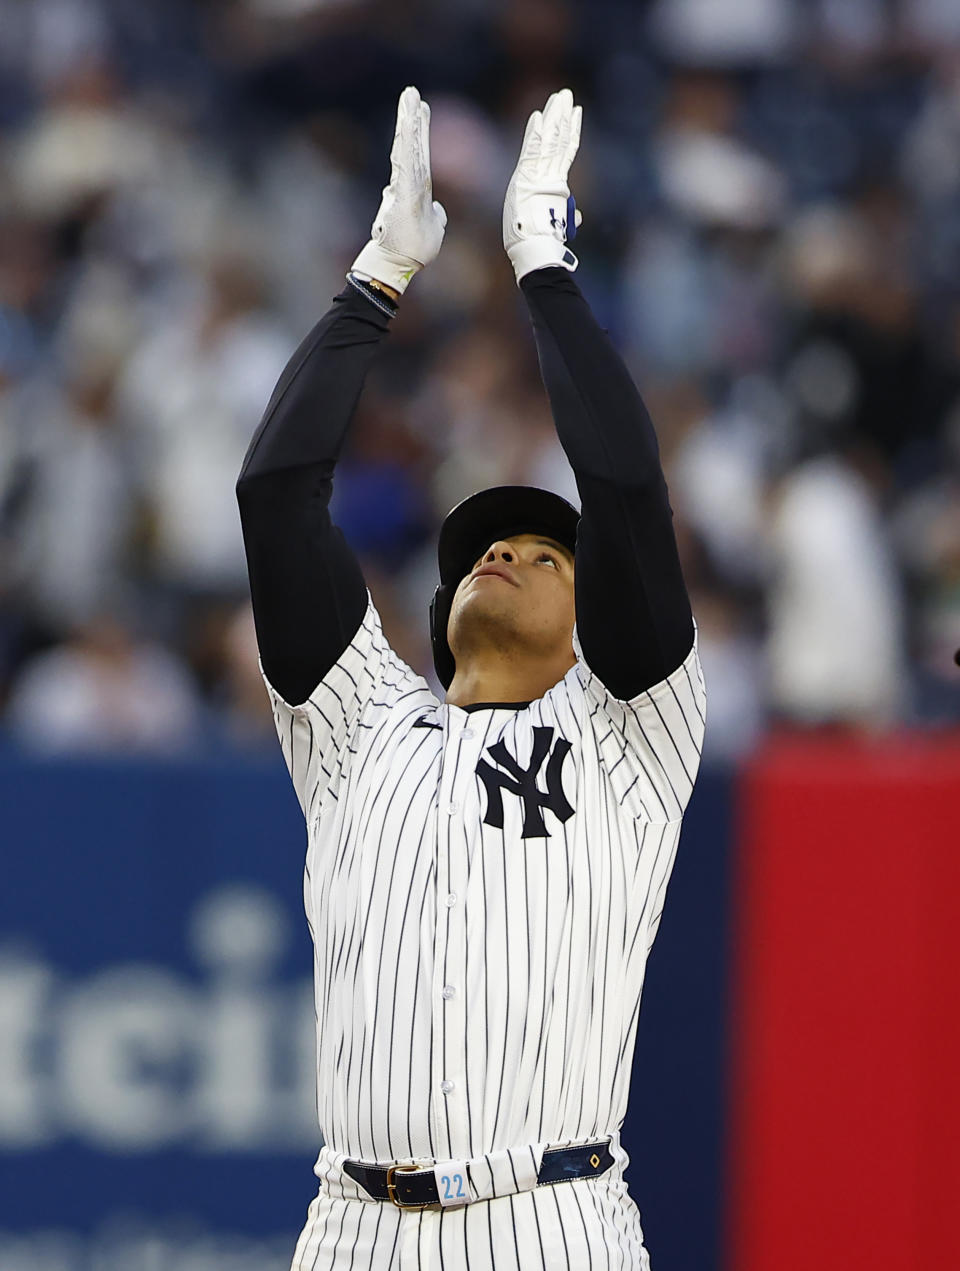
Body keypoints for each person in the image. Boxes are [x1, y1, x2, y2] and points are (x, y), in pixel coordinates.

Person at [237, 86, 705, 1271]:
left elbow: (628, 491)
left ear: (591, 610)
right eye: (485, 551)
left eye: (545, 556)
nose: (501, 552)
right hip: (350, 1226)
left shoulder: (627, 730)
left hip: (548, 1215)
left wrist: (542, 265)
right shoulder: (356, 725)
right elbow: (275, 493)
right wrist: (375, 279)